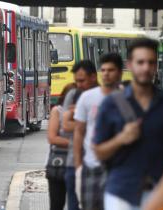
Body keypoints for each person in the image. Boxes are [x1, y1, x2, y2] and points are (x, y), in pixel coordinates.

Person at [93, 38, 163, 210]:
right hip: (120, 193)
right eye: (140, 62)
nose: (146, 68)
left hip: (159, 194)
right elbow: (98, 152)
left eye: (151, 62)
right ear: (130, 64)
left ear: (156, 66)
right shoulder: (111, 104)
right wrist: (121, 138)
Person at [73, 53, 123, 210]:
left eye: (111, 70)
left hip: (118, 168)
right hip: (91, 166)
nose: (106, 74)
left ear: (120, 72)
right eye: (104, 70)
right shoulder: (87, 98)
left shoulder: (127, 98)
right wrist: (78, 166)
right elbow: (79, 132)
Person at [61, 60, 98, 210]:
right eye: (76, 81)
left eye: (82, 81)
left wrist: (80, 119)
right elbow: (65, 126)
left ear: (93, 77)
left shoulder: (105, 96)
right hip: (73, 163)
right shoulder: (73, 94)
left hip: (98, 164)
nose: (79, 85)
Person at [46, 83, 76, 210]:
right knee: (57, 204)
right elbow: (52, 138)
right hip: (60, 165)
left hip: (79, 166)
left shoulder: (86, 112)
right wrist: (77, 144)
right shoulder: (57, 111)